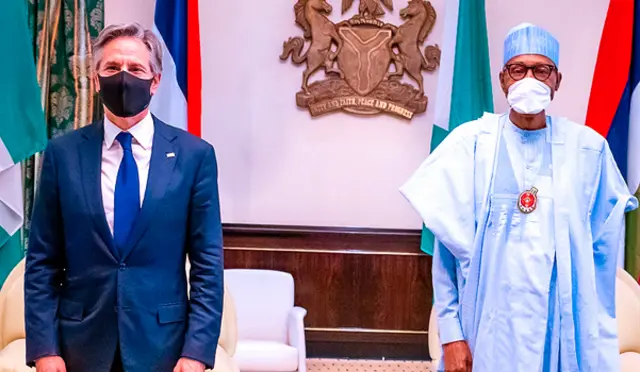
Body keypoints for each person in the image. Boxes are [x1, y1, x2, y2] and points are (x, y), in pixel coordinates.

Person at [400, 23, 638, 372]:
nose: (529, 79)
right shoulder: (470, 146)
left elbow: (602, 259)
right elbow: (447, 252)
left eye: (541, 70)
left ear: (557, 80)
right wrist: (451, 335)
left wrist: (596, 341)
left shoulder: (588, 150)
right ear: (502, 79)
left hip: (559, 336)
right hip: (489, 329)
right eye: (518, 69)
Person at [24, 23, 224, 372]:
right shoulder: (62, 154)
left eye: (135, 69)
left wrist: (197, 352)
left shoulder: (195, 156)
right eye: (113, 68)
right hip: (79, 349)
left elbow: (208, 264)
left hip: (164, 347)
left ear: (156, 80)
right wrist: (44, 348)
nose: (124, 77)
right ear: (97, 78)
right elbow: (42, 261)